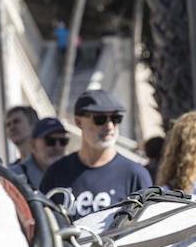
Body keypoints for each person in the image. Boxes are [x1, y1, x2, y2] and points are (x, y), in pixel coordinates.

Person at [40, 89, 151, 218]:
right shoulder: (56, 172)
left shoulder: (135, 175)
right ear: (79, 122)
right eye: (100, 119)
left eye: (116, 118)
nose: (109, 126)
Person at [10, 117, 69, 190]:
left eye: (63, 141)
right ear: (33, 145)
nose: (57, 147)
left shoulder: (74, 173)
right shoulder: (14, 176)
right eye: (50, 141)